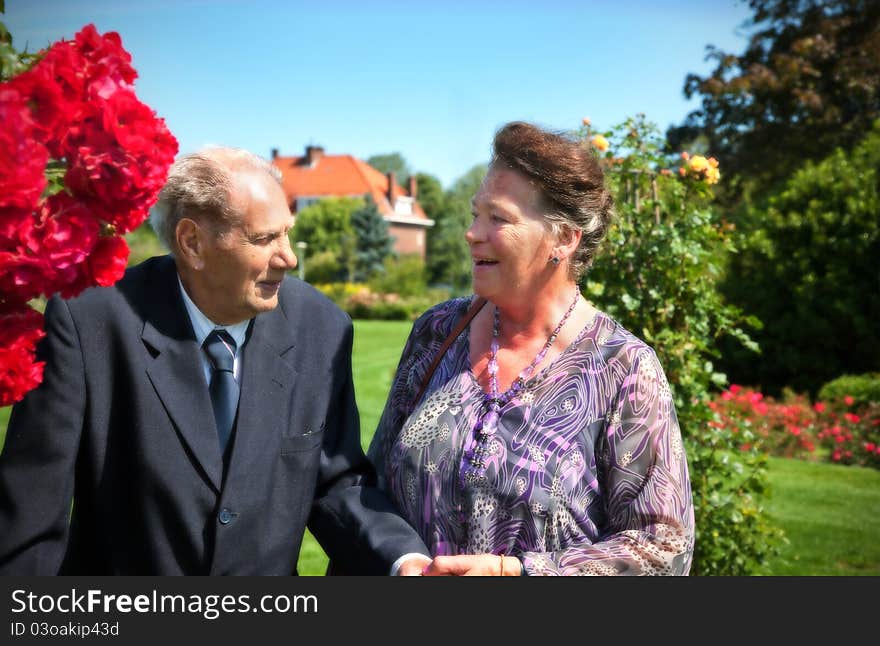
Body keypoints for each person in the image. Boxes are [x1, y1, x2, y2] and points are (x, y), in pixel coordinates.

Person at [0, 147, 430, 575]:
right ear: (193, 243)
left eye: (286, 233)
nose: (289, 258)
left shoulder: (322, 327)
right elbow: (30, 519)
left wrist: (403, 558)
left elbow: (337, 483)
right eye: (264, 239)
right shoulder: (87, 322)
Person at [367, 122, 694, 576]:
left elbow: (664, 548)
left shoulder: (624, 369)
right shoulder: (437, 332)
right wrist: (400, 559)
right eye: (475, 214)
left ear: (564, 238)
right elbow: (373, 485)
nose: (472, 233)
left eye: (498, 218)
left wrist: (518, 573)